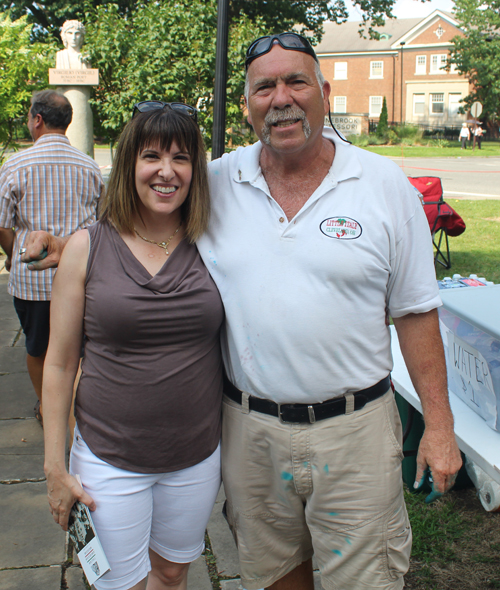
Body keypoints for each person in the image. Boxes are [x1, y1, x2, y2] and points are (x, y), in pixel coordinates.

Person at [23, 33, 462, 590]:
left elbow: (417, 312)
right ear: (249, 105)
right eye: (265, 87)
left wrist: (439, 426)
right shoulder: (221, 181)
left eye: (295, 81)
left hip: (354, 433)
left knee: (367, 579)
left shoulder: (382, 186)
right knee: (272, 575)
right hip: (249, 434)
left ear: (324, 93)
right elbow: (139, 226)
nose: (281, 98)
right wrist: (66, 249)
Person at [42, 103, 224, 590]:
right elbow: (59, 365)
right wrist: (54, 467)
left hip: (196, 455)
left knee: (170, 573)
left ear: (195, 170)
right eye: (152, 156)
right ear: (129, 165)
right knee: (119, 584)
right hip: (108, 457)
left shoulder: (214, 243)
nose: (166, 172)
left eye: (181, 158)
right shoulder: (86, 247)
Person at [0, 90, 103, 426]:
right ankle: (76, 409)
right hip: (81, 277)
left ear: (37, 120)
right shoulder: (89, 166)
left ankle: (48, 408)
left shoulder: (15, 164)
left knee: (37, 348)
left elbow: (2, 225)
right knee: (79, 350)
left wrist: (13, 254)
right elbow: (102, 225)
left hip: (32, 282)